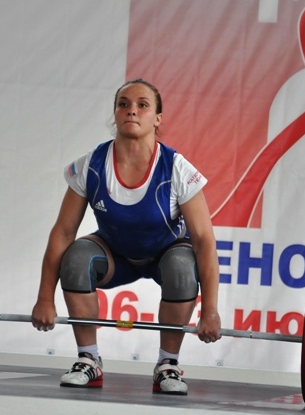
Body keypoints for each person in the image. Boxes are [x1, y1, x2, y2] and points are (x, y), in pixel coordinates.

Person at [31, 79, 221, 395]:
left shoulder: (176, 168)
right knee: (77, 258)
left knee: (181, 265)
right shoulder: (92, 165)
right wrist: (44, 298)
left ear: (157, 118)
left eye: (142, 105)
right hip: (115, 256)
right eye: (124, 104)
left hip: (165, 255)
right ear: (116, 113)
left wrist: (210, 310)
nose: (132, 110)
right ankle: (89, 360)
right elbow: (63, 232)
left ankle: (168, 364)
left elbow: (204, 241)